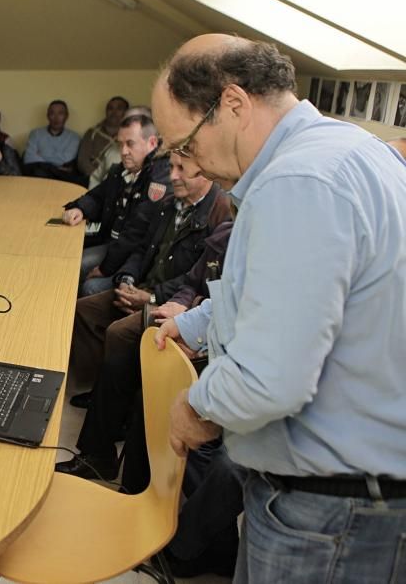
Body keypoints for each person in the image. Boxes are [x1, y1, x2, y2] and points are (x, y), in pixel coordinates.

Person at [153, 35, 406, 583]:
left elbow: (271, 378)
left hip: (330, 511)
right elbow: (294, 298)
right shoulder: (351, 148)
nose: (188, 163)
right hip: (359, 498)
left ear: (234, 104)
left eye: (188, 144)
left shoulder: (297, 182)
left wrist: (196, 406)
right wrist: (194, 322)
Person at [59, 153, 230, 463]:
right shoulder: (168, 204)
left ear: (205, 174)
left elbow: (195, 281)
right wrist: (126, 279)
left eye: (182, 170)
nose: (172, 175)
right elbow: (141, 249)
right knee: (85, 310)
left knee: (120, 335)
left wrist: (151, 298)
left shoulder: (219, 214)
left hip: (169, 301)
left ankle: (98, 450)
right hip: (146, 290)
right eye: (173, 167)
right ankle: (104, 394)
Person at [61, 114, 171, 296]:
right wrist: (80, 208)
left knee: (79, 271)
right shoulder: (122, 170)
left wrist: (105, 268)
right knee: (69, 257)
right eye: (120, 144)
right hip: (112, 244)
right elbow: (98, 196)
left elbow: (136, 233)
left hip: (133, 257)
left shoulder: (158, 179)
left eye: (130, 143)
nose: (123, 151)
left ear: (151, 143)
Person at [23, 100, 84, 184]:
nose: (56, 118)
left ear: (66, 116)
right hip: (39, 177)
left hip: (62, 178)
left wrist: (41, 157)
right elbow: (28, 158)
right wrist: (56, 167)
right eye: (52, 113)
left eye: (60, 113)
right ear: (47, 116)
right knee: (37, 172)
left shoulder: (74, 137)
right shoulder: (36, 134)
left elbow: (66, 159)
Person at [77, 96, 129, 184]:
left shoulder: (129, 137)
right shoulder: (92, 133)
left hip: (117, 181)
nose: (114, 112)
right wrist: (97, 179)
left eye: (119, 109)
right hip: (90, 179)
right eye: (110, 108)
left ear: (126, 112)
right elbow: (82, 161)